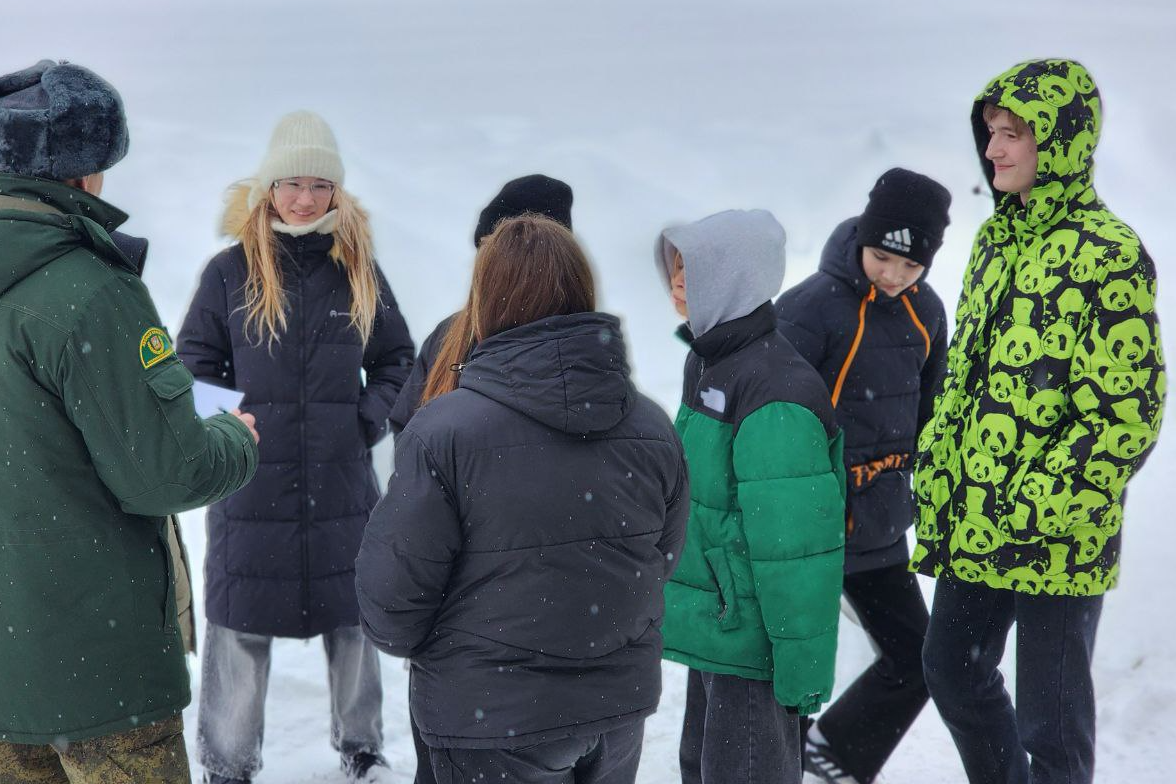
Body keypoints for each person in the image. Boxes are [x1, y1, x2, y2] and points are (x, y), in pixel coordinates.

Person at [0, 59, 260, 783]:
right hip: (100, 667)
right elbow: (168, 473)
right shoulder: (89, 291)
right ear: (88, 167)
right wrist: (234, 438)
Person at [356, 215, 689, 784]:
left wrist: (457, 651)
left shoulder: (445, 432)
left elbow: (391, 601)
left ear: (486, 300)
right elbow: (660, 559)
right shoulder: (651, 426)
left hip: (490, 717)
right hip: (613, 710)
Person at [912, 59, 1165, 784]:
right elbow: (965, 377)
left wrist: (1036, 503)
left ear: (1060, 141)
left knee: (1051, 725)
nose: (994, 149)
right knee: (951, 668)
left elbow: (1127, 414)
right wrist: (940, 464)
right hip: (976, 514)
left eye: (1013, 134)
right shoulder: (995, 242)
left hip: (1059, 531)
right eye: (991, 132)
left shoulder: (1110, 253)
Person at [177, 110, 413, 784]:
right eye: (291, 184)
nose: (304, 199)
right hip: (250, 485)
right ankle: (226, 764)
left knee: (354, 621)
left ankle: (361, 751)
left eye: (318, 185)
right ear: (268, 189)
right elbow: (192, 366)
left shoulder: (358, 269)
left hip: (341, 486)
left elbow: (398, 362)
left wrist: (364, 420)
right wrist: (230, 430)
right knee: (239, 623)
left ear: (336, 191)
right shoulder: (230, 272)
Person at [658, 209, 847, 784]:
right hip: (721, 627)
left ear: (734, 280)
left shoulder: (774, 394)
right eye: (676, 266)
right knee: (702, 768)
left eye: (694, 268)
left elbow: (797, 554)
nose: (678, 281)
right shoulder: (710, 360)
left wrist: (801, 671)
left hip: (752, 645)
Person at [776, 168, 951, 784]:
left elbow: (931, 412)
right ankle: (774, 762)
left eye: (911, 265)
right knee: (790, 666)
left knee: (919, 658)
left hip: (879, 522)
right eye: (883, 258)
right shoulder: (808, 309)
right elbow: (772, 419)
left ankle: (837, 756)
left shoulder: (927, 312)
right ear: (862, 240)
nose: (894, 275)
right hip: (808, 524)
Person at [388, 173, 574, 435]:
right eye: (484, 248)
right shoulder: (448, 336)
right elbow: (406, 427)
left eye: (503, 249)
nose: (486, 264)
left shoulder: (577, 342)